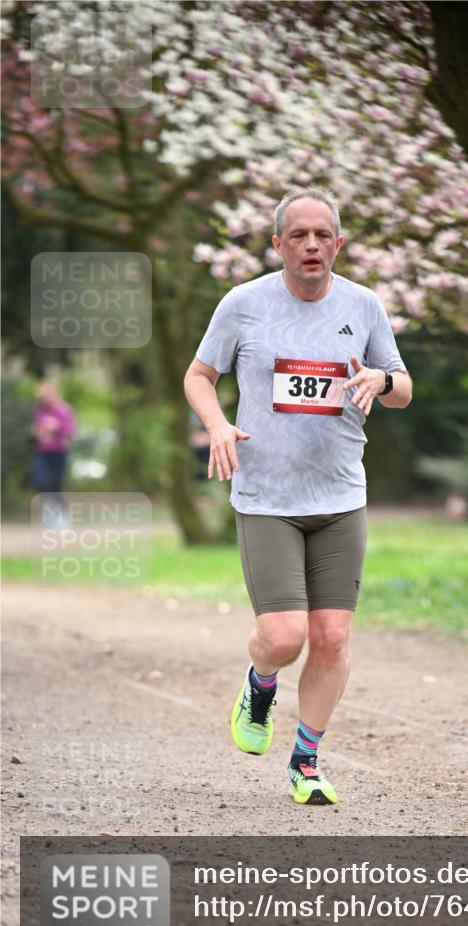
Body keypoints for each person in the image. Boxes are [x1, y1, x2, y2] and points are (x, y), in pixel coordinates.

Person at [184, 187, 412, 805]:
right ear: (278, 243)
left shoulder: (363, 305)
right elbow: (200, 375)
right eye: (299, 235)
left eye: (323, 236)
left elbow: (402, 387)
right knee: (284, 636)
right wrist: (217, 424)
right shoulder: (245, 304)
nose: (311, 245)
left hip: (340, 496)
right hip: (267, 499)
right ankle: (260, 686)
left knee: (333, 636)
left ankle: (305, 761)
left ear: (338, 244)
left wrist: (381, 378)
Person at [31, 380, 76, 524]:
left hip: (60, 451)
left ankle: (60, 517)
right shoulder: (40, 410)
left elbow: (71, 431)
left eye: (46, 396)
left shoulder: (64, 409)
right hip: (43, 451)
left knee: (56, 484)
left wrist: (56, 427)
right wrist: (39, 432)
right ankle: (50, 508)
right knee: (39, 479)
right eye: (41, 397)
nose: (43, 399)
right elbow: (36, 429)